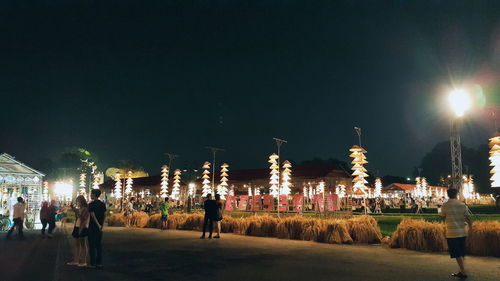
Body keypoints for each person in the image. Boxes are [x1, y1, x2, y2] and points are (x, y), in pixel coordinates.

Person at [440, 189, 473, 279]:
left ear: (448, 195)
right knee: (461, 252)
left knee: (457, 253)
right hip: (462, 232)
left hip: (451, 233)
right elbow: (468, 218)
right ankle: (461, 272)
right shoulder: (462, 205)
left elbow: (442, 217)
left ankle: (463, 272)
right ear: (456, 194)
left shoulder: (445, 205)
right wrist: (470, 228)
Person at [67, 195, 90, 267]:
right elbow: (78, 218)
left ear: (82, 201)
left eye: (78, 201)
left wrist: (77, 212)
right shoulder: (79, 208)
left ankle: (84, 261)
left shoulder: (86, 209)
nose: (77, 203)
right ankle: (76, 260)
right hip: (77, 226)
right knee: (77, 244)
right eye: (77, 201)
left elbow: (83, 218)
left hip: (82, 227)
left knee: (83, 244)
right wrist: (74, 210)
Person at [88, 189, 106, 269]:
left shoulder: (91, 204)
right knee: (98, 245)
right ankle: (99, 262)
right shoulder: (102, 204)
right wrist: (102, 225)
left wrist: (98, 225)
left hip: (92, 227)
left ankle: (92, 263)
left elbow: (92, 215)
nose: (90, 195)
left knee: (92, 245)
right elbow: (105, 215)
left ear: (94, 194)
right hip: (100, 228)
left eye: (91, 194)